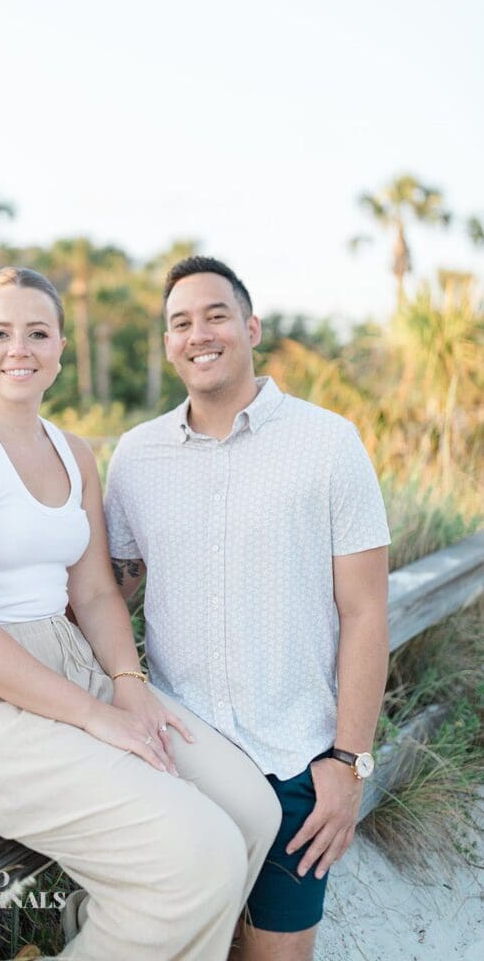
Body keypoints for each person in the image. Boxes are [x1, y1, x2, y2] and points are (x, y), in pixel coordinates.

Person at [0, 266, 281, 961]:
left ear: (59, 347)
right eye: (0, 333)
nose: (19, 348)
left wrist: (127, 686)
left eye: (37, 333)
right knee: (199, 858)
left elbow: (97, 594)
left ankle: (111, 922)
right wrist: (96, 717)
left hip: (76, 668)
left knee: (252, 813)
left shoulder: (75, 453)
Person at [104, 256, 390, 961]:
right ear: (168, 343)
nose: (197, 333)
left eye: (214, 315)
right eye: (179, 322)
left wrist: (347, 764)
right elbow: (109, 591)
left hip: (296, 758)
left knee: (276, 955)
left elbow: (365, 612)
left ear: (250, 327)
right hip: (177, 759)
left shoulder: (327, 443)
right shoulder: (136, 457)